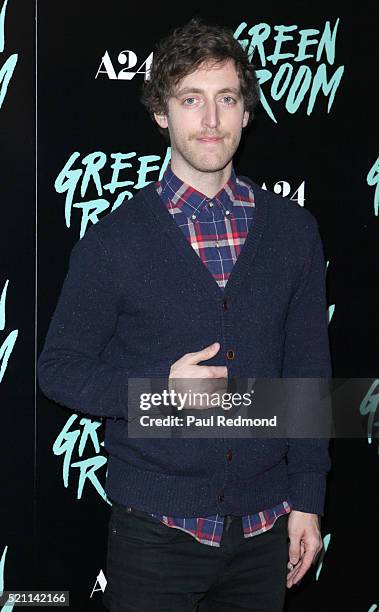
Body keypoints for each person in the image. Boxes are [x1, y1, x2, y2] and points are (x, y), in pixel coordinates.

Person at [37, 17, 332, 612]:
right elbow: (58, 369)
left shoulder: (293, 232)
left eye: (226, 98)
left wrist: (308, 499)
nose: (212, 119)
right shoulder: (113, 241)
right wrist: (157, 396)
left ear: (247, 111)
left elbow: (308, 375)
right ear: (160, 114)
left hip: (266, 527)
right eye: (191, 100)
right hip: (155, 532)